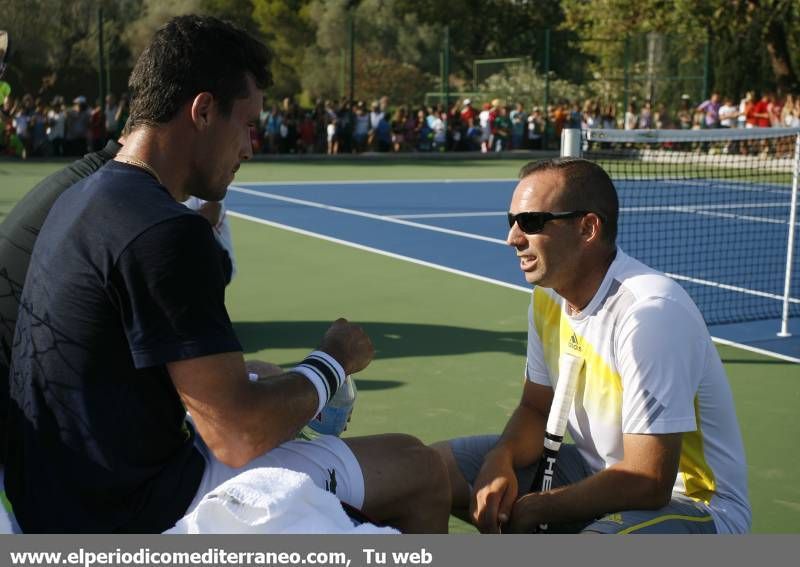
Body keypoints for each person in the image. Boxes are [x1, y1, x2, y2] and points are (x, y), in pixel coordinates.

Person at [4, 15, 449, 534]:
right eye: (248, 124)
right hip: (133, 510)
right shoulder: (165, 231)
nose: (249, 148)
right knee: (421, 469)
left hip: (50, 496)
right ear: (203, 110)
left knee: (268, 381)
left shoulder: (81, 196)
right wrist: (332, 363)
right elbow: (236, 434)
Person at [433, 158, 750, 534]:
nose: (513, 238)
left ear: (587, 228)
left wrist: (540, 507)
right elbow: (536, 407)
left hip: (693, 505)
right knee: (426, 470)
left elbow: (649, 480)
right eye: (512, 221)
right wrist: (499, 458)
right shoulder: (548, 298)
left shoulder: (649, 315)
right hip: (594, 471)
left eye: (531, 222)